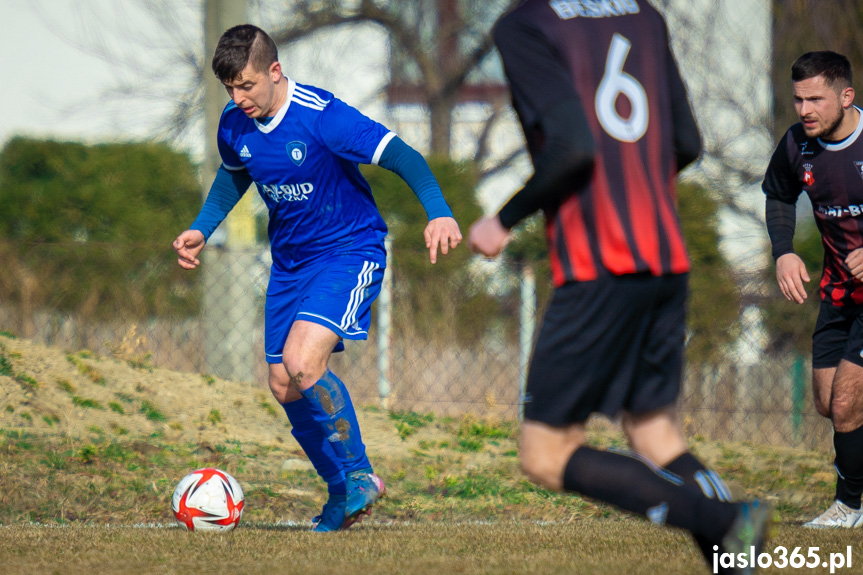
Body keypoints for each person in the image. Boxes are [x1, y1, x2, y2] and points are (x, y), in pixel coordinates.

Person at [468, 1, 768, 572]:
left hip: (599, 266)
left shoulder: (526, 22)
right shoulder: (643, 13)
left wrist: (501, 220)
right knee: (653, 430)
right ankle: (736, 555)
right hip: (665, 256)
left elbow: (572, 148)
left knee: (545, 453)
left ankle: (727, 522)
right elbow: (687, 142)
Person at [173, 24, 462, 532]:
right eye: (230, 90)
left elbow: (402, 155)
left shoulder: (323, 117)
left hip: (349, 250)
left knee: (303, 362)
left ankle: (361, 477)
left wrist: (437, 211)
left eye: (247, 86)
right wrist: (202, 227)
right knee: (284, 383)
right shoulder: (234, 123)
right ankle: (340, 493)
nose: (239, 99)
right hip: (290, 263)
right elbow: (235, 170)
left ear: (275, 72)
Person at [763, 50, 863, 528]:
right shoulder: (795, 146)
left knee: (846, 402)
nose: (805, 110)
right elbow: (779, 195)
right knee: (828, 403)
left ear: (846, 96)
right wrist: (784, 250)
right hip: (840, 292)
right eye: (799, 99)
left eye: (816, 99)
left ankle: (851, 506)